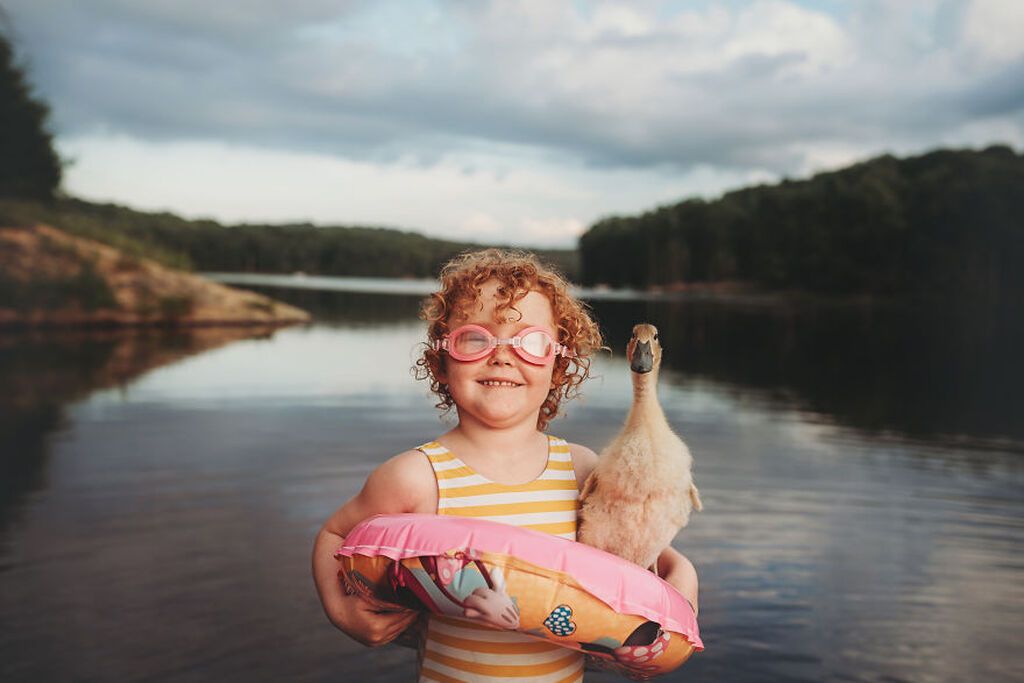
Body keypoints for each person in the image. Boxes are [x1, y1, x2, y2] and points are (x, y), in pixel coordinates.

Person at [312, 249, 699, 682]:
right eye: (475, 338)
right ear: (441, 361)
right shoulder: (417, 476)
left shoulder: (579, 470)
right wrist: (343, 611)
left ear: (558, 365)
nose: (502, 355)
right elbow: (335, 534)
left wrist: (683, 577)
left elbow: (644, 551)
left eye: (531, 343)